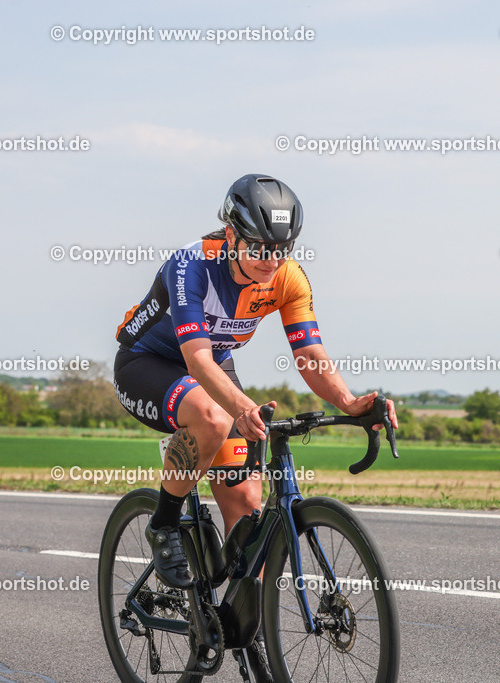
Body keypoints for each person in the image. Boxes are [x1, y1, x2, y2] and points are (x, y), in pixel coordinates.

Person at [112, 173, 397, 674]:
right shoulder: (193, 264)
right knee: (213, 417)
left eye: (282, 248)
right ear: (231, 234)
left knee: (247, 511)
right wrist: (241, 406)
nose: (271, 259)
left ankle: (243, 630)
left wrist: (351, 402)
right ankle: (162, 524)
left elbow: (309, 354)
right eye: (260, 247)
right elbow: (197, 359)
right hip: (150, 363)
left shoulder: (288, 278)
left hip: (212, 367)